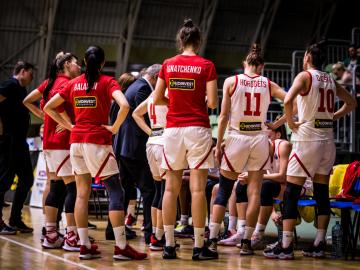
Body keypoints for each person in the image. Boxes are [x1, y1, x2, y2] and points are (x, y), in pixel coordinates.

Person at [44, 46, 147, 260]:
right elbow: (125, 105)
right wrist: (115, 127)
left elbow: (48, 107)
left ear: (83, 61)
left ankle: (84, 245)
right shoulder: (108, 82)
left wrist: (70, 125)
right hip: (97, 142)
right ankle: (121, 247)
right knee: (116, 192)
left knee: (81, 193)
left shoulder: (73, 83)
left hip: (76, 143)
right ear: (102, 63)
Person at [264, 41, 357, 260]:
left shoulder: (304, 76)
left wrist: (292, 124)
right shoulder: (330, 80)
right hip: (327, 143)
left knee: (291, 192)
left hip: (307, 142)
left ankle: (286, 246)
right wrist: (332, 116)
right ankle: (318, 244)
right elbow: (351, 103)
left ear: (307, 57)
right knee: (322, 193)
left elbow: (288, 101)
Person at [209, 43, 287, 257]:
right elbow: (292, 101)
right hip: (260, 139)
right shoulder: (268, 83)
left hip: (236, 138)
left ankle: (213, 239)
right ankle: (246, 243)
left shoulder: (231, 81)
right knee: (254, 193)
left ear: (245, 63)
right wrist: (277, 123)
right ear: (261, 66)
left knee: (224, 190)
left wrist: (218, 145)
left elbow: (223, 116)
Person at [153, 18, 218, 260]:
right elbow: (212, 103)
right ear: (198, 42)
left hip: (172, 131)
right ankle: (199, 247)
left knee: (170, 188)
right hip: (198, 129)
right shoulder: (206, 65)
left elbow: (158, 98)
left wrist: (176, 103)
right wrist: (195, 103)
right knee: (198, 189)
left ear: (181, 41)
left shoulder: (168, 64)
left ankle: (168, 245)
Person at [23, 52, 81, 250]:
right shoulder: (67, 84)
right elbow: (51, 108)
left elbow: (27, 101)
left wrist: (49, 118)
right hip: (62, 143)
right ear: (66, 65)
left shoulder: (49, 82)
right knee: (73, 189)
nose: (79, 66)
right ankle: (72, 236)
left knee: (56, 187)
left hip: (48, 142)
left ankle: (50, 234)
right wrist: (68, 124)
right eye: (75, 63)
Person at [115, 64, 161, 245]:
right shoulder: (143, 87)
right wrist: (155, 133)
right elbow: (143, 116)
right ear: (156, 77)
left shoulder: (135, 85)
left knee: (125, 191)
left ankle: (116, 230)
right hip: (134, 147)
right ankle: (150, 231)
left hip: (124, 147)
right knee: (149, 190)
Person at [0, 61, 34, 234]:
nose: (32, 77)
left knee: (27, 178)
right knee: (4, 180)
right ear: (21, 71)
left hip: (21, 142)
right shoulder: (10, 85)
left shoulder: (21, 89)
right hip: (9, 141)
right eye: (30, 73)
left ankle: (15, 219)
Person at [132, 89, 168, 250]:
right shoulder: (169, 93)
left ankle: (155, 233)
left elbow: (136, 114)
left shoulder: (153, 94)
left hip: (152, 142)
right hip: (164, 143)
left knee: (158, 189)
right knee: (165, 191)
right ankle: (159, 236)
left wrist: (151, 132)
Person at [106, 72, 136, 241]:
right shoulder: (123, 102)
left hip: (116, 145)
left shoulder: (114, 102)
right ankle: (115, 228)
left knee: (124, 188)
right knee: (122, 189)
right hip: (122, 146)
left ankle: (118, 226)